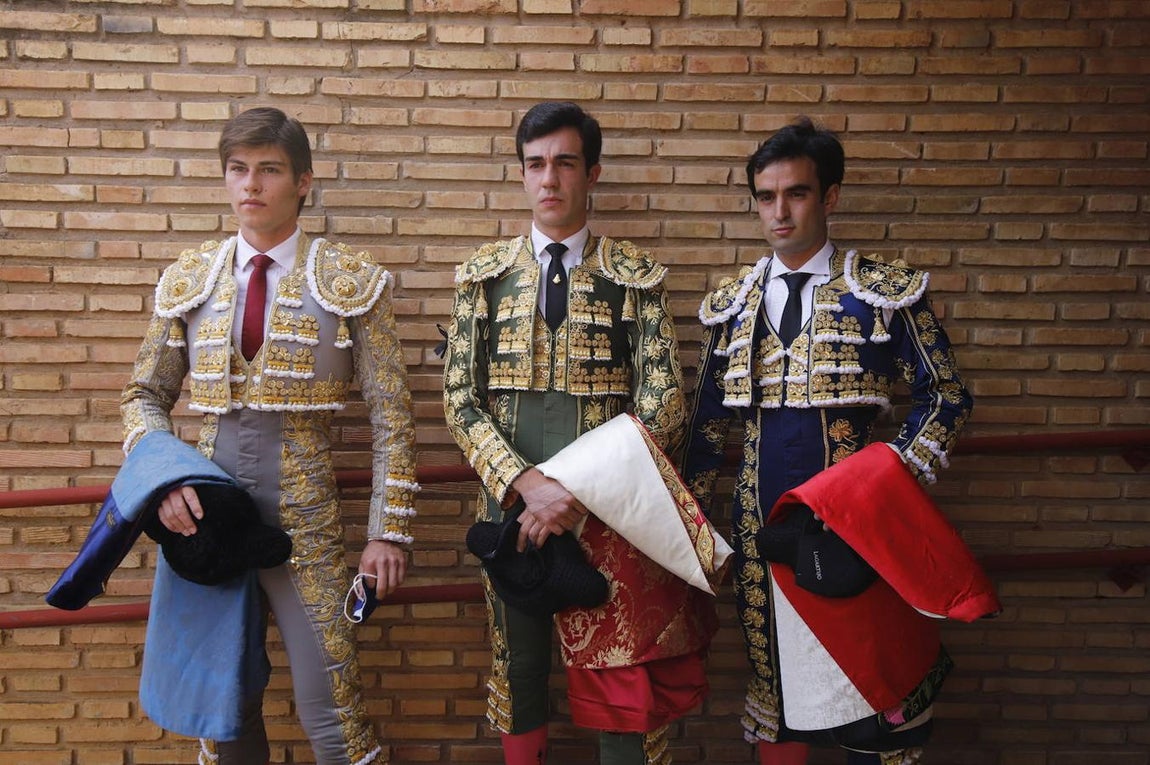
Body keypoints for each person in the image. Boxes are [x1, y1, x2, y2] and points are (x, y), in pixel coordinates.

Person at [121, 107, 418, 765]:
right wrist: (163, 483)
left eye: (269, 169)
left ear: (303, 181)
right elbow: (144, 396)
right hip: (207, 523)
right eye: (238, 169)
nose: (250, 184)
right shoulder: (189, 277)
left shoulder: (352, 281)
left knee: (336, 716)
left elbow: (392, 414)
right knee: (221, 717)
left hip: (308, 526)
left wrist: (387, 529)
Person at [680, 117, 974, 765]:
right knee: (779, 696)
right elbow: (704, 432)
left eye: (796, 194)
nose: (778, 212)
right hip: (760, 532)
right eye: (765, 197)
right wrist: (696, 537)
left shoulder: (882, 293)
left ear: (829, 196)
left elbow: (946, 396)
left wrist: (884, 489)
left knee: (870, 691)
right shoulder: (733, 305)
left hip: (860, 530)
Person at [442, 101, 718, 765]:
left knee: (622, 678)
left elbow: (664, 400)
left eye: (565, 163)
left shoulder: (635, 277)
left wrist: (573, 490)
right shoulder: (483, 276)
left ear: (591, 173)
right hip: (513, 508)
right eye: (535, 164)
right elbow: (460, 399)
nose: (549, 179)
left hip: (614, 514)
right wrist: (528, 487)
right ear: (521, 174)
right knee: (519, 673)